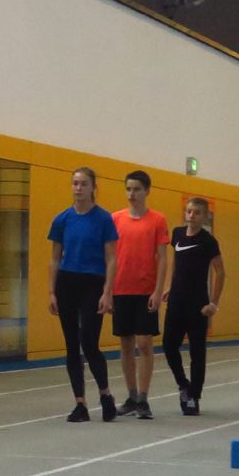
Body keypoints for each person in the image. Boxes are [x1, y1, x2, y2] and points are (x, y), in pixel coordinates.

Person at [47, 167, 119, 422]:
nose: (78, 188)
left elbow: (111, 259)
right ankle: (80, 403)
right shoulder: (62, 219)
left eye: (84, 184)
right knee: (71, 345)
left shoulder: (104, 219)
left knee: (89, 342)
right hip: (68, 281)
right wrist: (52, 291)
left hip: (93, 282)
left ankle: (105, 394)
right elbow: (55, 258)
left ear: (93, 188)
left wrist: (107, 292)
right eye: (75, 183)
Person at [110, 170, 169, 420]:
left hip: (145, 291)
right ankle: (132, 396)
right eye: (128, 189)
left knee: (144, 343)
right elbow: (109, 256)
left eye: (136, 189)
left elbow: (163, 258)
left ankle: (144, 398)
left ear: (147, 191)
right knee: (125, 343)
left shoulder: (157, 220)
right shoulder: (115, 219)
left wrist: (158, 289)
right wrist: (107, 290)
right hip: (121, 289)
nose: (131, 194)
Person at [161, 197, 224, 416]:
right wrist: (170, 286)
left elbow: (220, 271)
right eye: (188, 211)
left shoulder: (208, 241)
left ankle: (194, 396)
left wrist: (213, 303)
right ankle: (183, 385)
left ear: (205, 216)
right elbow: (177, 261)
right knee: (169, 345)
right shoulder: (177, 234)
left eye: (197, 212)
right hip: (176, 301)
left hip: (198, 304)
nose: (191, 216)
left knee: (197, 352)